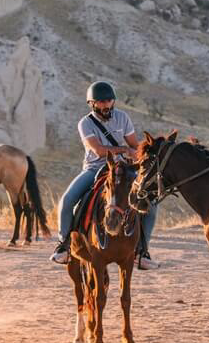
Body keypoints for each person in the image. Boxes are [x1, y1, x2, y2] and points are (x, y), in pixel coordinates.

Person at [50, 82, 158, 270]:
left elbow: (134, 145)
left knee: (151, 204)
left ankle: (142, 251)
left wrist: (140, 152)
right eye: (101, 101)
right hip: (95, 169)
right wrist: (123, 149)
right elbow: (99, 150)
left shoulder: (122, 117)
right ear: (92, 103)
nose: (106, 104)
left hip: (124, 170)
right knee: (67, 200)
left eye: (109, 100)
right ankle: (64, 245)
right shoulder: (85, 123)